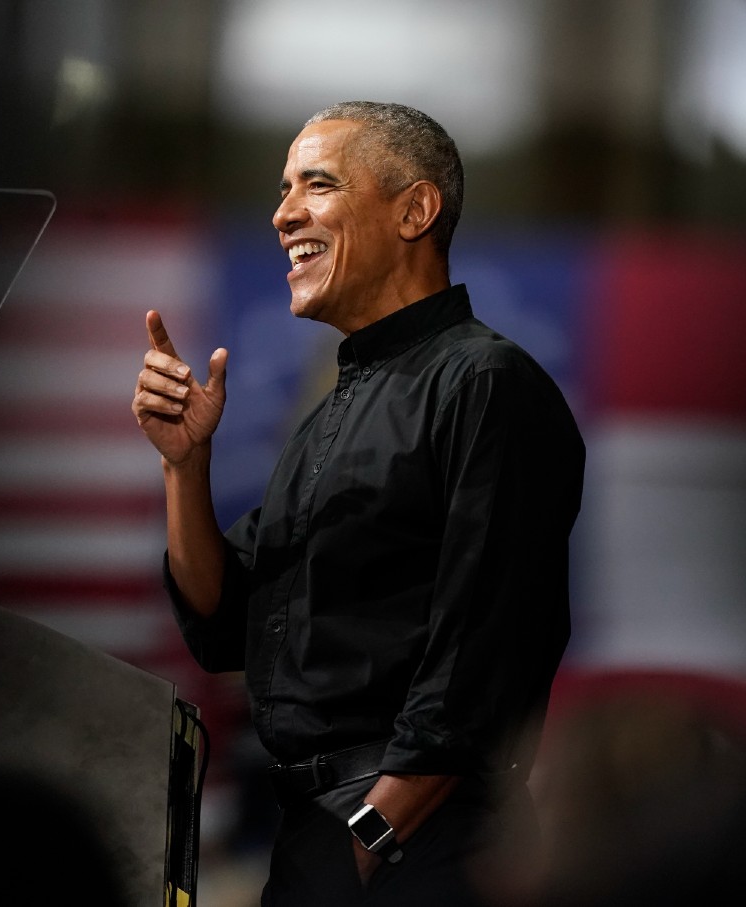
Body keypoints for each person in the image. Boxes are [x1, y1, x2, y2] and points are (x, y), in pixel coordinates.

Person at [131, 100, 585, 906]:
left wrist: (372, 839)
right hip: (325, 833)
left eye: (317, 183)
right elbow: (222, 620)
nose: (282, 213)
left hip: (415, 842)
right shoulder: (328, 417)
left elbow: (484, 652)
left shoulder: (486, 384)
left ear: (414, 209)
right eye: (282, 189)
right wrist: (184, 465)